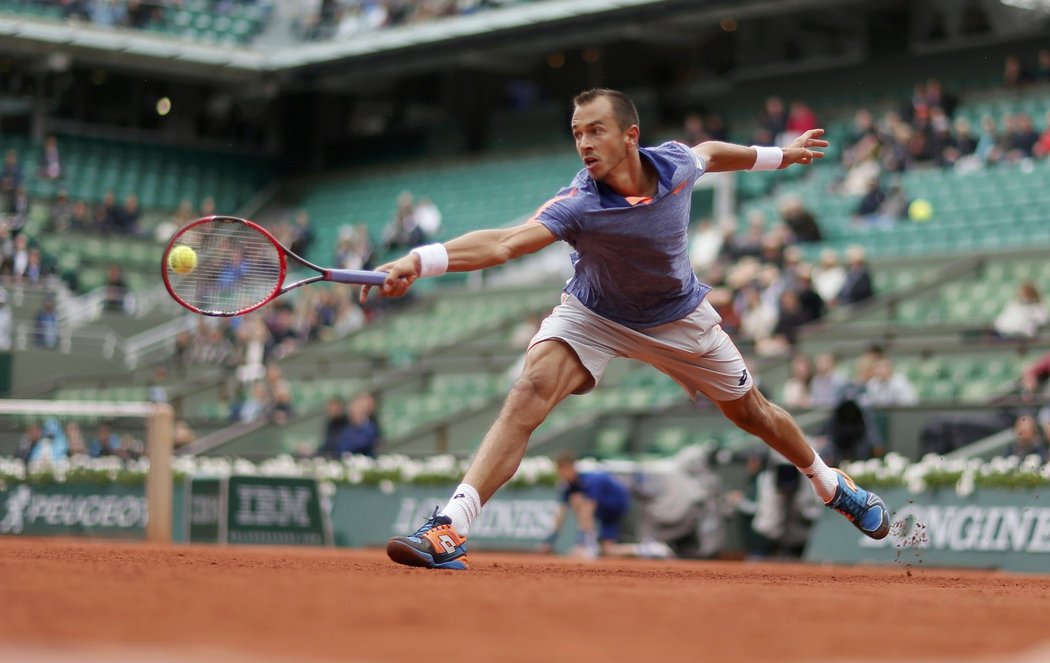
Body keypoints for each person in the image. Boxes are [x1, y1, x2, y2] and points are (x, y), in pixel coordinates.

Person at [366, 88, 890, 570]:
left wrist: (782, 155)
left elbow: (711, 151)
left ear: (630, 135)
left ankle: (831, 485)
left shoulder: (676, 164)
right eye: (577, 134)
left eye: (596, 130)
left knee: (752, 413)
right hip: (594, 314)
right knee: (529, 390)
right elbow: (504, 243)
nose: (584, 143)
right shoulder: (579, 204)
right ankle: (450, 527)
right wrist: (422, 258)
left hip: (678, 317)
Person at [540, 452, 632, 559]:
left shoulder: (590, 480)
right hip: (605, 510)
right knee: (608, 550)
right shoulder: (568, 487)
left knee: (578, 500)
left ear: (569, 467)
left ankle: (587, 545)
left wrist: (581, 542)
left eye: (561, 470)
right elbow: (560, 515)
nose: (559, 474)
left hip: (617, 502)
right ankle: (646, 550)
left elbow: (589, 509)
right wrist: (549, 541)